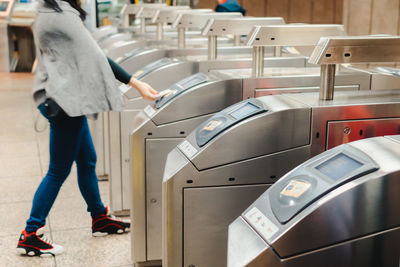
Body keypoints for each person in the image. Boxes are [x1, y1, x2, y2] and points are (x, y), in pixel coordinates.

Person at [16, 0, 158, 257]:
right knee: (58, 171)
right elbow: (95, 56)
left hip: (61, 95)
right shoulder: (62, 14)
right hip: (65, 100)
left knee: (87, 159)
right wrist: (135, 83)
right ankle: (30, 233)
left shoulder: (49, 10)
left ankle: (99, 217)